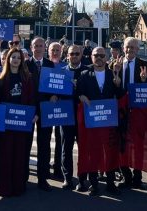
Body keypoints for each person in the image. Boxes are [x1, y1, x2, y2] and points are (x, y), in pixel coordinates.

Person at [76, 46, 125, 195]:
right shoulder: (84, 74)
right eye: (96, 55)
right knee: (92, 152)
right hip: (92, 122)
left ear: (106, 57)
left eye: (102, 56)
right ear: (91, 57)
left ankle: (110, 183)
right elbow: (77, 92)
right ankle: (94, 184)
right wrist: (81, 96)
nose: (99, 58)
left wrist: (118, 84)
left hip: (108, 121)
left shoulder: (112, 75)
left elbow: (121, 95)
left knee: (110, 152)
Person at [0, 48, 37, 196]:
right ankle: (5, 187)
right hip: (6, 123)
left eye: (18, 58)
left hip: (22, 122)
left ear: (22, 60)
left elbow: (33, 98)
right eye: (13, 57)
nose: (15, 60)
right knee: (6, 155)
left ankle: (18, 186)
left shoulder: (27, 77)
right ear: (8, 59)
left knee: (20, 154)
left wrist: (35, 113)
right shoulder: (1, 78)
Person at [117, 36, 147, 189]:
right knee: (121, 144)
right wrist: (116, 78)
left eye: (133, 47)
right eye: (127, 46)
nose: (130, 50)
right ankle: (126, 175)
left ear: (138, 50)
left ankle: (138, 176)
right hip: (121, 111)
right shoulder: (115, 65)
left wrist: (145, 80)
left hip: (138, 112)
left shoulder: (145, 65)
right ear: (123, 48)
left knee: (138, 144)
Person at [25, 36, 56, 190]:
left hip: (45, 109)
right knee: (26, 144)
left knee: (44, 146)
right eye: (35, 45)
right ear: (31, 48)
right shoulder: (25, 65)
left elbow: (55, 86)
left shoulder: (51, 65)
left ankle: (42, 178)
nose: (38, 48)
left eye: (41, 45)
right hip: (29, 110)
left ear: (45, 48)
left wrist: (54, 95)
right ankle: (23, 177)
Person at [60, 44, 87, 190]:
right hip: (66, 116)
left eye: (77, 53)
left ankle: (82, 179)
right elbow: (54, 91)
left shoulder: (88, 71)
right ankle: (67, 178)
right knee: (66, 148)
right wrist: (53, 96)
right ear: (67, 55)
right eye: (72, 54)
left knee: (83, 148)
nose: (74, 56)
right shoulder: (60, 72)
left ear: (81, 54)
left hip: (83, 116)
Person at [47, 41, 65, 179]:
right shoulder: (44, 65)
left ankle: (58, 167)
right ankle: (45, 165)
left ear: (62, 51)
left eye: (58, 50)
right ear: (48, 51)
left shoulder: (65, 66)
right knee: (45, 138)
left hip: (61, 106)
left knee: (60, 138)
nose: (55, 52)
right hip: (46, 105)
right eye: (53, 50)